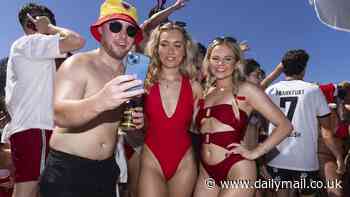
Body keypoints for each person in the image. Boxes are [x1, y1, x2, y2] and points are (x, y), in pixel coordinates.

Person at [38, 0, 145, 196]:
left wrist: (136, 128)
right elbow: (58, 113)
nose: (123, 35)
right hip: (67, 171)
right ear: (101, 30)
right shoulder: (79, 63)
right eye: (115, 26)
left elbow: (129, 135)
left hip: (106, 172)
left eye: (130, 31)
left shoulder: (131, 76)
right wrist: (100, 101)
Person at [2, 3, 85, 197]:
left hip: (30, 128)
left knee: (31, 189)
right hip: (36, 127)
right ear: (32, 23)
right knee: (28, 190)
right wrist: (48, 28)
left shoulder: (32, 52)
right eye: (45, 20)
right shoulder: (31, 43)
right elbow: (76, 40)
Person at [193, 37, 292, 197]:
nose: (221, 64)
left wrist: (256, 152)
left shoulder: (246, 89)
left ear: (236, 62)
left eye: (228, 59)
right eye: (216, 58)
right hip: (206, 172)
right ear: (208, 61)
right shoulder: (205, 92)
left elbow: (285, 126)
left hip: (237, 169)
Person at [265, 49, 345, 197]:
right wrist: (339, 157)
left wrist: (276, 72)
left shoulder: (271, 90)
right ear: (304, 69)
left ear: (283, 68)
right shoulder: (313, 90)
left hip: (276, 158)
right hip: (305, 161)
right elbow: (326, 132)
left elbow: (251, 93)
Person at [137, 22, 202, 197]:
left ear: (185, 50)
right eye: (164, 44)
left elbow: (203, 127)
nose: (170, 51)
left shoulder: (195, 87)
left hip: (184, 163)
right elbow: (129, 122)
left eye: (177, 45)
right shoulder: (144, 82)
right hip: (152, 160)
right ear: (156, 48)